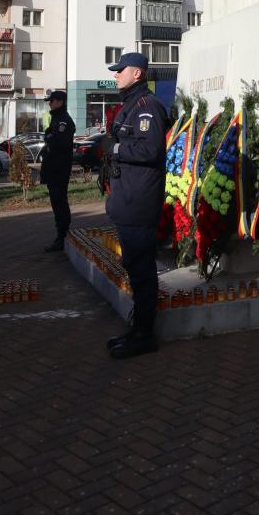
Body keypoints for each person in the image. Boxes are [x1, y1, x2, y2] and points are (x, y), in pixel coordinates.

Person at [103, 51, 168, 360]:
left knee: (142, 269)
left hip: (139, 200)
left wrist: (114, 147)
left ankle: (145, 335)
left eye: (121, 70)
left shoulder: (147, 107)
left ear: (137, 74)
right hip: (128, 197)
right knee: (134, 265)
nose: (116, 74)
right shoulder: (132, 105)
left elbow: (150, 150)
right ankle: (138, 327)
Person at [40, 90, 76, 252]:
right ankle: (61, 236)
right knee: (57, 202)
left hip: (59, 169)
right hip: (54, 168)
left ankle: (62, 237)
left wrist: (49, 137)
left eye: (52, 101)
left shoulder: (64, 121)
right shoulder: (57, 119)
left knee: (60, 202)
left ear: (60, 101)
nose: (50, 103)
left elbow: (59, 143)